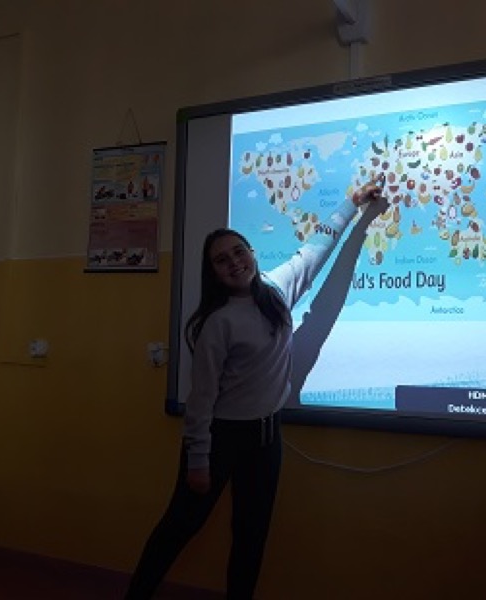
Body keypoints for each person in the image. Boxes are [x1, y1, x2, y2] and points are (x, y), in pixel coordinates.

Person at [124, 177, 385, 600]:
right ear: (213, 273)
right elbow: (201, 401)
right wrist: (198, 462)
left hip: (266, 440)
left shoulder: (277, 291)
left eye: (238, 252)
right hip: (219, 439)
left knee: (251, 536)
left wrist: (353, 206)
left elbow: (317, 248)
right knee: (180, 527)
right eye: (221, 260)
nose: (233, 262)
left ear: (252, 253)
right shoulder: (217, 323)